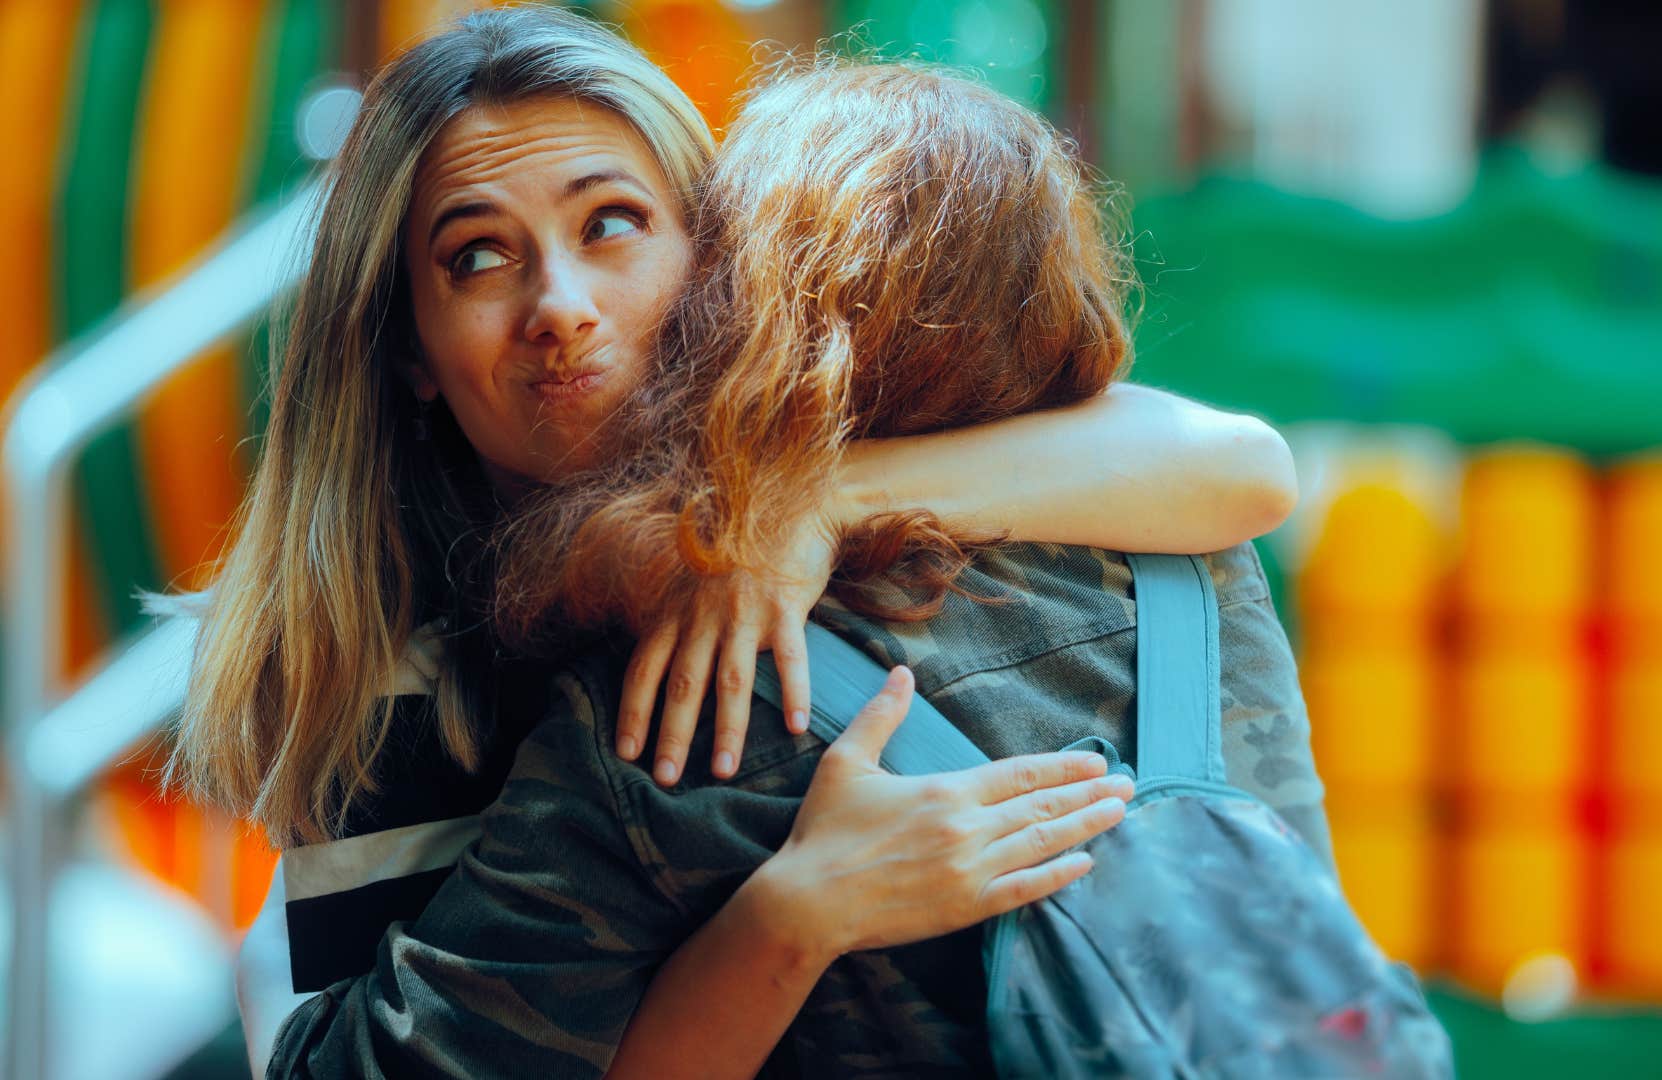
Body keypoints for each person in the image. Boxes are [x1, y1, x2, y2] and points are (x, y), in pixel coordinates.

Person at [156, 8, 1308, 1076]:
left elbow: (1243, 463)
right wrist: (794, 916)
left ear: (714, 261)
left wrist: (808, 505)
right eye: (479, 256)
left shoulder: (828, 540)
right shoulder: (414, 677)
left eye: (611, 223)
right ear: (410, 349)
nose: (558, 302)